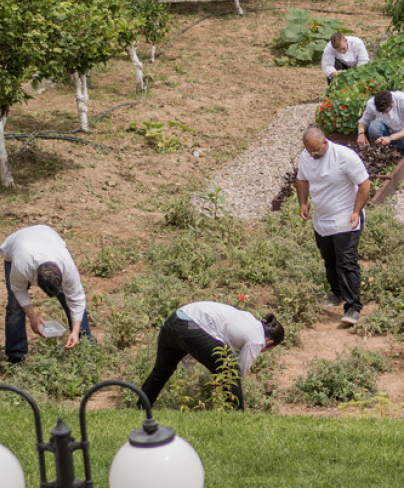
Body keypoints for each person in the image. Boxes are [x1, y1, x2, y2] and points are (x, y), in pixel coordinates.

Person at [141, 301, 284, 411]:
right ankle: (238, 417)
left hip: (174, 320)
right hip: (190, 325)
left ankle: (141, 407)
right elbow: (239, 372)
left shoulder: (249, 319)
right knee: (230, 371)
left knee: (161, 372)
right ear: (269, 343)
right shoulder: (258, 339)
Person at [296, 126, 371, 326]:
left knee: (346, 261)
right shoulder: (307, 156)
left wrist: (356, 211)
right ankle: (336, 293)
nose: (312, 155)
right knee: (329, 259)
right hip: (322, 218)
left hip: (345, 216)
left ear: (325, 143)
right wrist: (303, 203)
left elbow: (364, 184)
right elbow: (302, 179)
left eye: (316, 151)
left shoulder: (345, 157)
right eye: (309, 151)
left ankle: (353, 307)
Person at [0, 224, 93, 364]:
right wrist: (32, 318)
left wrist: (75, 330)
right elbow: (19, 290)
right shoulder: (21, 265)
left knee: (67, 298)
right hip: (16, 246)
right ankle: (16, 356)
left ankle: (85, 343)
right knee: (15, 306)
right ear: (35, 278)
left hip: (47, 236)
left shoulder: (67, 266)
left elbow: (77, 298)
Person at [357, 90, 404, 158]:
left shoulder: (403, 100)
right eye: (380, 112)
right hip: (387, 132)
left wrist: (390, 138)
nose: (383, 114)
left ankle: (399, 156)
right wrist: (361, 134)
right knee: (374, 126)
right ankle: (380, 151)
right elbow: (364, 120)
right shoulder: (371, 103)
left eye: (386, 111)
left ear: (392, 102)